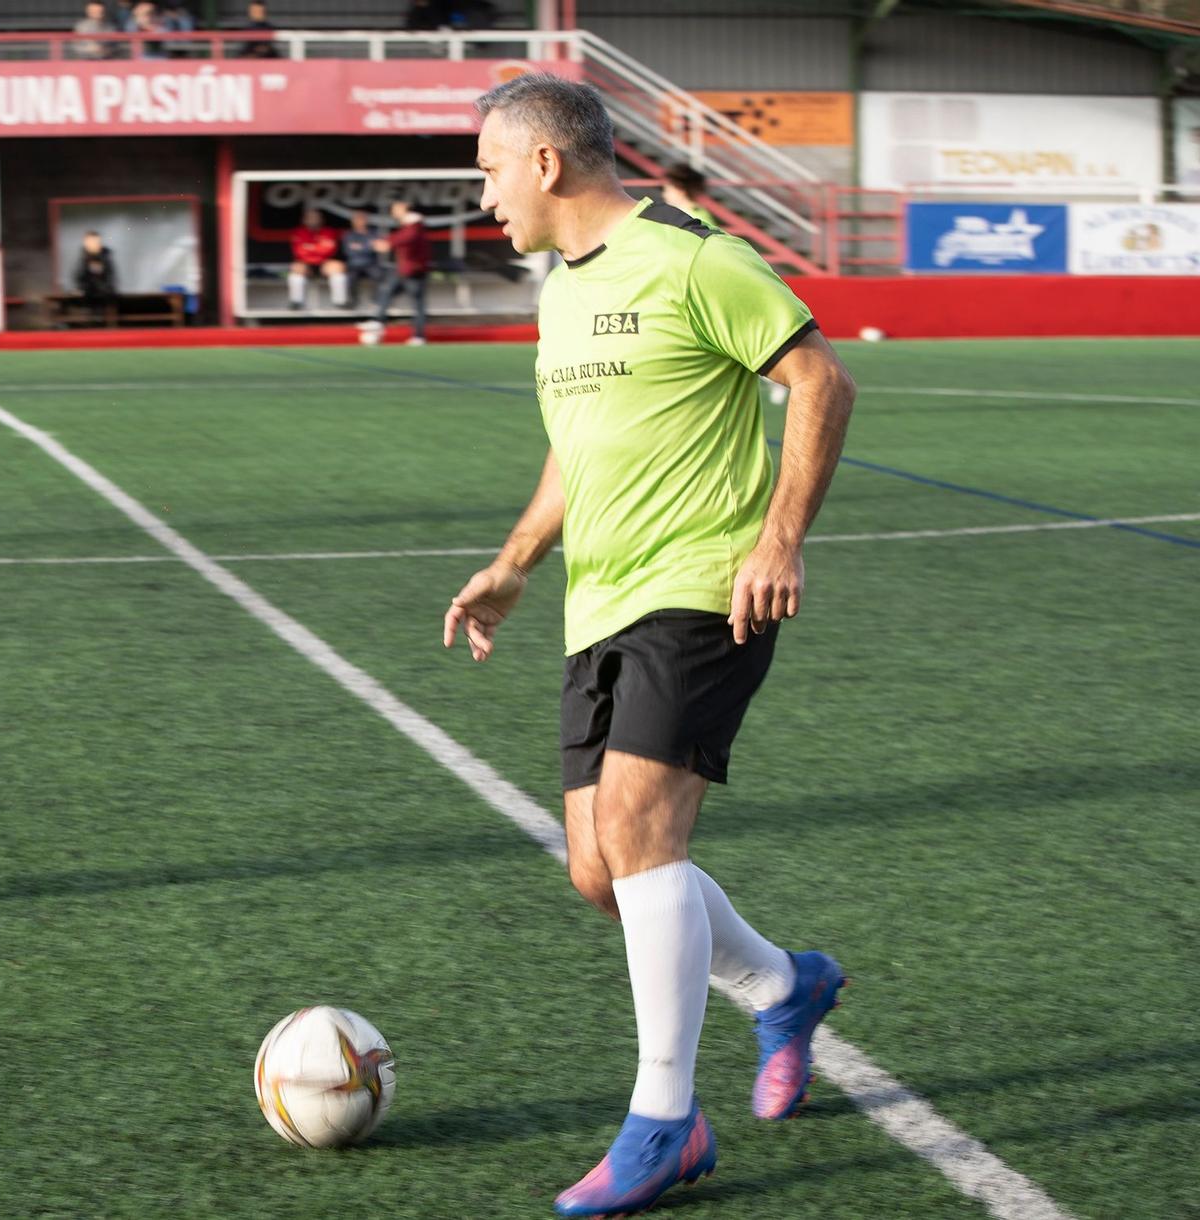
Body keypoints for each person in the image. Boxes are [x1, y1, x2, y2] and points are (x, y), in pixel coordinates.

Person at [444, 73, 857, 1217]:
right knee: (598, 872)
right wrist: (516, 560)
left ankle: (663, 1121)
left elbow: (820, 378)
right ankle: (783, 984)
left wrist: (778, 538)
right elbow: (577, 449)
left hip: (703, 588)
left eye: (485, 169)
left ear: (543, 163)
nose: (480, 196)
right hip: (597, 602)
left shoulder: (692, 256)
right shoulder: (558, 293)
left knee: (636, 831)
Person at [367, 200, 429, 344]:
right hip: (404, 270)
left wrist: (388, 242)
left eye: (396, 208)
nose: (393, 211)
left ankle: (418, 336)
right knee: (385, 291)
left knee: (417, 303)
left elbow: (407, 237)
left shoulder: (414, 225)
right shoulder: (409, 224)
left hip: (414, 271)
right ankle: (378, 322)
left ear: (404, 209)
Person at [286, 207, 346, 310]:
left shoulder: (329, 231)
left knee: (338, 267)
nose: (313, 220)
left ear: (321, 220)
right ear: (304, 220)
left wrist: (310, 247)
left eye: (316, 218)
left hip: (324, 264)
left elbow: (329, 250)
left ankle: (340, 302)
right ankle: (296, 302)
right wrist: (318, 247)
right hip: (306, 265)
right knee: (296, 268)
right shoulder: (298, 232)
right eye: (310, 218)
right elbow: (299, 252)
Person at [338, 209, 383, 306]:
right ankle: (353, 300)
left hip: (371, 263)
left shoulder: (373, 233)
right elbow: (348, 251)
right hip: (354, 264)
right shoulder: (348, 235)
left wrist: (359, 247)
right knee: (349, 278)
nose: (360, 221)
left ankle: (377, 300)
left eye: (362, 219)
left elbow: (378, 247)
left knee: (379, 275)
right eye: (357, 219)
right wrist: (368, 246)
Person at [662, 164, 721, 231]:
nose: (664, 194)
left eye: (667, 190)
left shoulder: (691, 218)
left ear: (680, 190)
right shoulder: (701, 213)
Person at [75, 230, 116, 307]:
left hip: (104, 297)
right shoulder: (82, 259)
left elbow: (111, 279)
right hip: (87, 297)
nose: (93, 245)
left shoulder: (106, 257)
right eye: (90, 242)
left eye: (95, 242)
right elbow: (78, 279)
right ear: (85, 243)